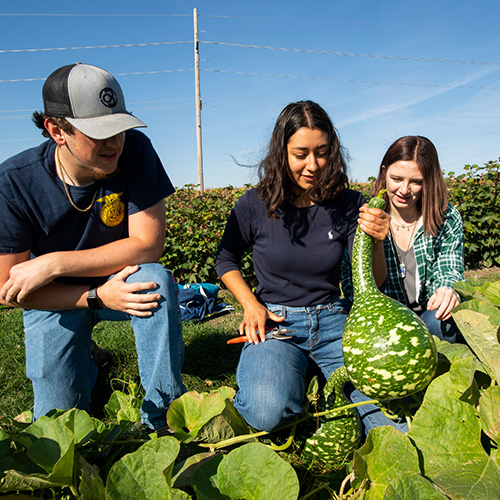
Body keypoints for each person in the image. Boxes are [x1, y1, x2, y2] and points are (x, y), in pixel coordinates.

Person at [0, 63, 186, 430]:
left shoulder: (135, 150)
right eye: (99, 132)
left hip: (119, 276)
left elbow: (148, 245)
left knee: (156, 282)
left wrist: (53, 262)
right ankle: (88, 362)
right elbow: (7, 289)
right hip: (56, 297)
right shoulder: (13, 182)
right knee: (59, 425)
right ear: (57, 130)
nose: (115, 143)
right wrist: (95, 296)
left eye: (119, 127)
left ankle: (164, 418)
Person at [215, 100, 393, 433]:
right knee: (268, 411)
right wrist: (250, 305)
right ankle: (291, 375)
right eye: (301, 154)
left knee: (387, 424)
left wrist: (378, 241)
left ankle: (312, 376)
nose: (313, 165)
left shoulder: (350, 204)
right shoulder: (254, 204)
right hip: (277, 326)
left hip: (335, 324)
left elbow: (374, 282)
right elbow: (226, 258)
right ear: (281, 152)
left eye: (322, 152)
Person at [372, 136, 464, 342]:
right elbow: (354, 283)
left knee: (442, 323)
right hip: (385, 318)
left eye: (416, 182)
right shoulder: (369, 218)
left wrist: (448, 290)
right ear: (384, 172)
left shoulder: (445, 217)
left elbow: (449, 268)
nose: (404, 190)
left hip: (429, 313)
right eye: (396, 179)